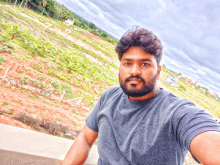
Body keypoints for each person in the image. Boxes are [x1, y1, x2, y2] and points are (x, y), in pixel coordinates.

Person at [62, 27, 220, 165]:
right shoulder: (110, 96)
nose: (134, 71)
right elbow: (84, 138)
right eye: (127, 63)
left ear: (158, 72)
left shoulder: (176, 113)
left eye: (145, 64)